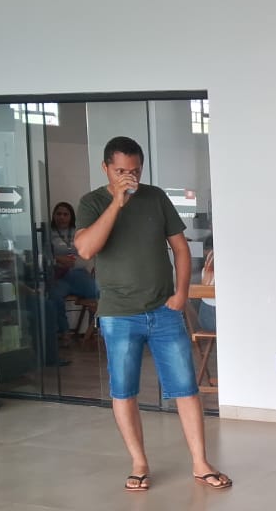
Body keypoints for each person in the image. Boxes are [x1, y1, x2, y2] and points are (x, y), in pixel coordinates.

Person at [74, 136, 231, 492]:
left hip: (164, 310)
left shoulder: (156, 197)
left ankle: (200, 463)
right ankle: (139, 463)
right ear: (105, 168)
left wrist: (181, 294)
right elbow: (85, 249)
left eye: (134, 171)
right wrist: (116, 203)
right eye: (120, 171)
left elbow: (180, 248)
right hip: (118, 314)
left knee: (186, 388)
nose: (129, 177)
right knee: (123, 391)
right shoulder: (92, 202)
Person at [46, 202, 100, 350]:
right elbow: (45, 257)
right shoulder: (48, 234)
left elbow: (87, 255)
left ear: (71, 216)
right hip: (59, 276)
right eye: (58, 214)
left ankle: (93, 330)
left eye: (65, 214)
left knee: (97, 291)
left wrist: (73, 263)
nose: (62, 217)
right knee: (54, 297)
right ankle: (65, 332)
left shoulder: (79, 232)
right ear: (54, 216)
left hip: (78, 274)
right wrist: (57, 260)